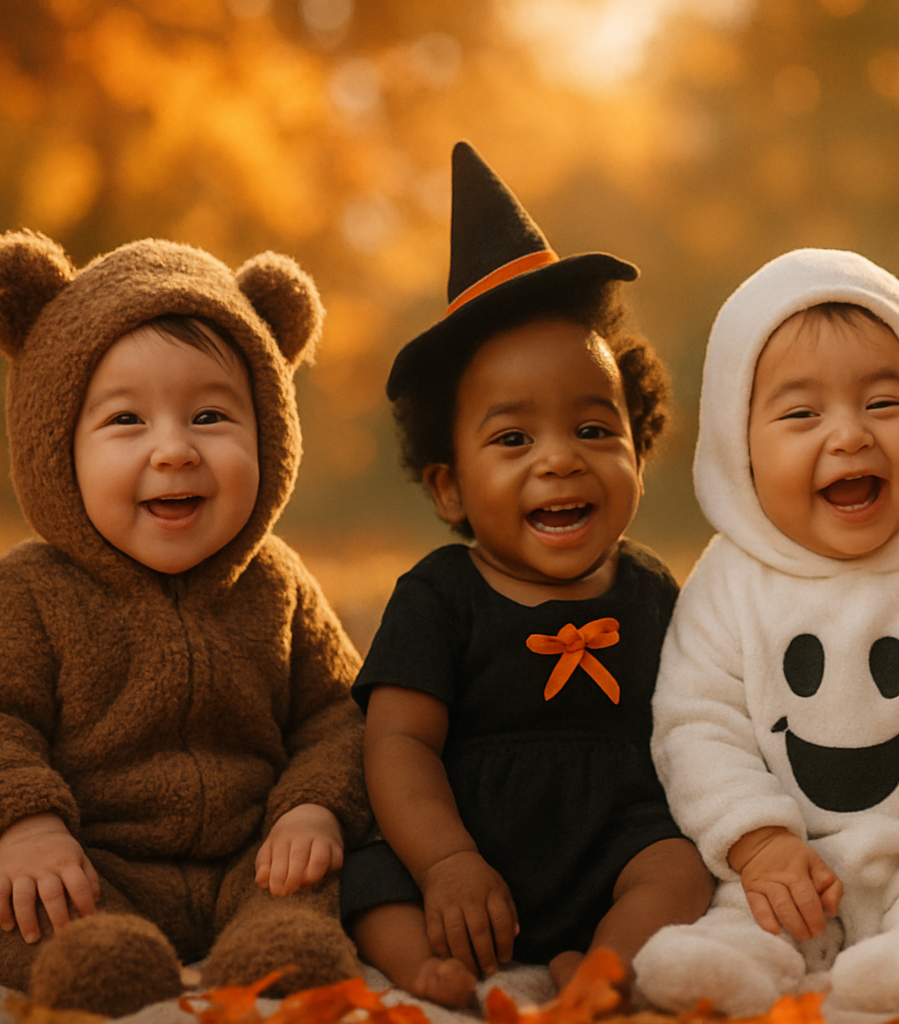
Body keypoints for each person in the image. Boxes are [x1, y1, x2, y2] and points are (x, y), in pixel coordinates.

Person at [0, 232, 370, 1017]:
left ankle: (274, 950)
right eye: (126, 420)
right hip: (84, 857)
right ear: (55, 444)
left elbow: (341, 711)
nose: (173, 450)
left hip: (252, 856)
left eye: (209, 415)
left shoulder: (277, 585)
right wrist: (23, 823)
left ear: (270, 432)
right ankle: (94, 956)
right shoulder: (29, 589)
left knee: (319, 882)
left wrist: (312, 804)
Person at [633, 248, 899, 1016]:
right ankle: (736, 961)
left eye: (884, 404)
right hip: (782, 867)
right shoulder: (731, 579)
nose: (850, 436)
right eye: (802, 414)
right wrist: (756, 842)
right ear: (742, 449)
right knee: (743, 920)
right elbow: (697, 725)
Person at [340, 142, 713, 1009]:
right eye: (513, 440)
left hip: (613, 835)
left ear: (639, 446)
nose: (558, 462)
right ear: (448, 487)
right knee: (371, 875)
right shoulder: (438, 596)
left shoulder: (652, 591)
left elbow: (705, 719)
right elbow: (397, 745)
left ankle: (604, 965)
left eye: (592, 429)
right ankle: (420, 967)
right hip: (464, 842)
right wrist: (447, 861)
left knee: (681, 868)